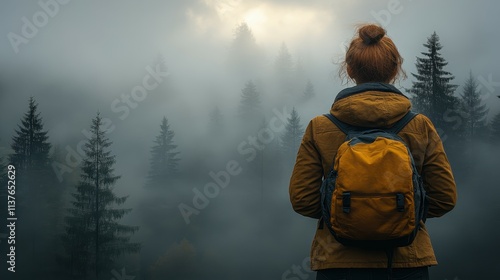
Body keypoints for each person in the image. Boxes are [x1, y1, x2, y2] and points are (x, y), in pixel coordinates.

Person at [289, 24, 457, 280]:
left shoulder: (320, 127)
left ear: (349, 69)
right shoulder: (419, 125)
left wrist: (347, 213)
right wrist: (399, 212)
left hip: (339, 264)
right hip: (407, 263)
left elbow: (303, 199)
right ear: (395, 69)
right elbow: (444, 197)